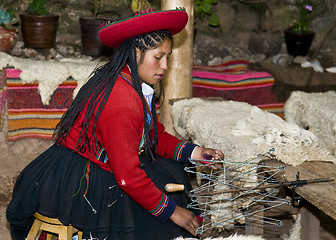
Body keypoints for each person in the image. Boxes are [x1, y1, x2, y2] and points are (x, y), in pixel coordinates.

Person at [6, 8, 224, 240]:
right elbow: (127, 176)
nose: (165, 66)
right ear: (135, 52)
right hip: (76, 180)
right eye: (158, 57)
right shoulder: (121, 99)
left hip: (106, 163)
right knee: (152, 217)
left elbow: (152, 136)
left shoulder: (131, 82)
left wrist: (195, 152)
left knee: (173, 173)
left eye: (167, 57)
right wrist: (172, 212)